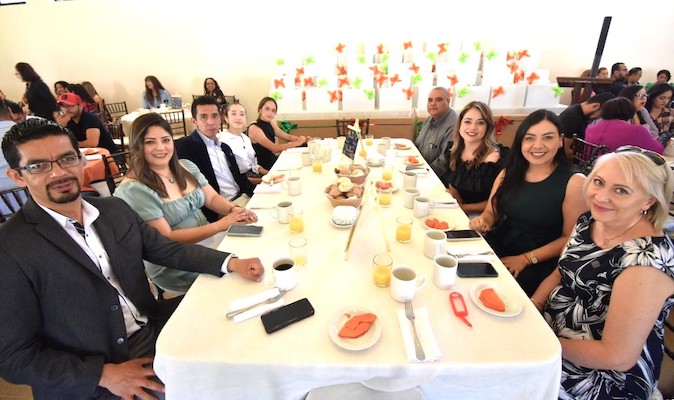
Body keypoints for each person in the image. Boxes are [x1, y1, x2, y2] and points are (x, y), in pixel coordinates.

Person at [0, 118, 264, 399]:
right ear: (18, 176)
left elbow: (165, 249)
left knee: (249, 333)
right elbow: (12, 356)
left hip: (152, 326)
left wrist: (229, 262)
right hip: (99, 371)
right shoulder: (10, 247)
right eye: (38, 166)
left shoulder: (113, 210)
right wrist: (102, 375)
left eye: (67, 159)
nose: (59, 173)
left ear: (81, 160)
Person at [530, 148, 674, 399]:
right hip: (550, 336)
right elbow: (561, 272)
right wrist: (533, 307)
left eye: (621, 190)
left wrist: (542, 344)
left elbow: (617, 356)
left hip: (600, 376)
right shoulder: (590, 221)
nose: (601, 196)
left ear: (649, 201)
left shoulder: (646, 261)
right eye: (598, 182)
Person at [114, 113, 257, 295]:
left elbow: (212, 198)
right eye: (150, 142)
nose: (160, 147)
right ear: (137, 146)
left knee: (255, 250)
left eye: (166, 140)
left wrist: (233, 209)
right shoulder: (134, 190)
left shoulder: (185, 166)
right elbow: (167, 238)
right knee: (240, 283)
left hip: (209, 243)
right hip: (177, 263)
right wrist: (220, 225)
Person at [469, 109, 587, 296]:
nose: (537, 145)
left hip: (539, 261)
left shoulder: (575, 182)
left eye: (547, 138)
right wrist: (483, 221)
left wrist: (525, 259)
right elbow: (491, 212)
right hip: (501, 242)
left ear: (560, 140)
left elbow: (570, 238)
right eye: (530, 138)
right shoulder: (510, 172)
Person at [175, 96, 255, 222]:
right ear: (194, 121)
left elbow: (239, 178)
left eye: (214, 116)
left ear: (220, 119)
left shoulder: (224, 147)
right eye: (203, 117)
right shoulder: (185, 147)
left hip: (244, 199)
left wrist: (259, 193)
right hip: (221, 210)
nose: (210, 122)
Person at [440, 101, 503, 215]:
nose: (473, 127)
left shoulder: (494, 159)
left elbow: (498, 201)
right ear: (460, 125)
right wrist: (455, 199)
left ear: (487, 128)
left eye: (480, 123)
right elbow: (452, 183)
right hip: (457, 208)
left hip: (482, 215)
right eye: (467, 122)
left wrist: (464, 208)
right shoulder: (453, 150)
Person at [248, 96, 308, 170]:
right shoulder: (254, 128)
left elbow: (288, 137)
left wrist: (304, 140)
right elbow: (274, 148)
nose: (270, 113)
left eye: (273, 111)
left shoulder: (270, 123)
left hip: (272, 160)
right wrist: (297, 143)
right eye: (267, 109)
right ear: (260, 110)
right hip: (263, 167)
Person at [585, 97, 664, 153]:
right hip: (619, 168)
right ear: (630, 112)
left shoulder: (590, 128)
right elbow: (659, 150)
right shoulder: (636, 131)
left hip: (592, 166)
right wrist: (636, 122)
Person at [414, 87, 458, 179]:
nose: (433, 103)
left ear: (448, 101)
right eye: (430, 100)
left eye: (438, 100)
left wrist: (421, 174)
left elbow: (443, 162)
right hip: (420, 168)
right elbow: (417, 144)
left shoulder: (454, 125)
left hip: (436, 177)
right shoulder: (431, 118)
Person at [220, 102, 268, 184]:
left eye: (242, 114)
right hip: (240, 183)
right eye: (234, 114)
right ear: (226, 118)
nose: (238, 117)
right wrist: (262, 181)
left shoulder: (246, 138)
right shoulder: (223, 141)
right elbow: (232, 176)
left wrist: (270, 174)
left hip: (254, 176)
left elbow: (253, 165)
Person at [560, 92, 615, 159]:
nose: (599, 118)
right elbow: (566, 151)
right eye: (601, 115)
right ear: (595, 106)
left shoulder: (579, 113)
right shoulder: (572, 117)